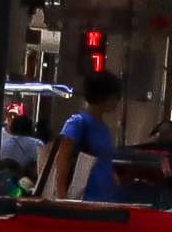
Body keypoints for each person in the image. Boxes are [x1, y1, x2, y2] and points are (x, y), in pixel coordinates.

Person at [49, 69, 129, 200]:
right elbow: (63, 158)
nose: (117, 101)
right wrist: (61, 193)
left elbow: (102, 159)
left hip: (105, 196)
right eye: (115, 96)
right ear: (103, 96)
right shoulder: (77, 123)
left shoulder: (104, 128)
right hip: (83, 196)